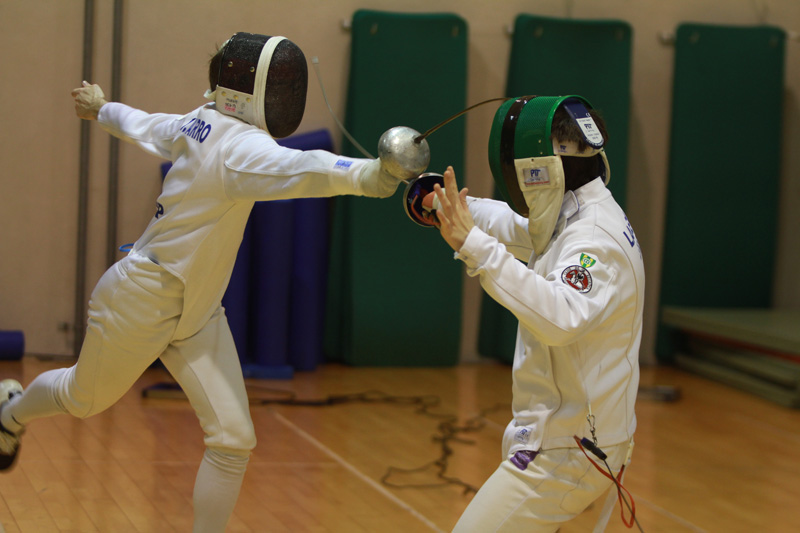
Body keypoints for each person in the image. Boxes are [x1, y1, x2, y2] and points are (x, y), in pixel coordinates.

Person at [0, 32, 415, 533]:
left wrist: (103, 107)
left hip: (196, 311)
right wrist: (372, 176)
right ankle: (11, 411)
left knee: (233, 439)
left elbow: (146, 125)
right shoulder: (239, 148)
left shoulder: (202, 122)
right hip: (141, 300)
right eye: (279, 84)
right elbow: (305, 167)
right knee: (82, 399)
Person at [424, 95, 644, 531]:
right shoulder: (575, 211)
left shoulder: (593, 238)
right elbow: (519, 227)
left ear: (540, 167)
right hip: (566, 438)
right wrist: (445, 206)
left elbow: (560, 317)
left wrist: (473, 246)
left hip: (570, 451)